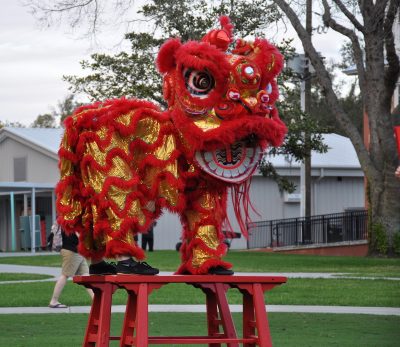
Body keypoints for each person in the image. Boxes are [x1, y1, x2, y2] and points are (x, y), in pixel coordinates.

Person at [49, 222, 94, 308]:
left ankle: (95, 299)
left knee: (85, 276)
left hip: (76, 251)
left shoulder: (66, 218)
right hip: (72, 251)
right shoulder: (73, 219)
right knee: (65, 275)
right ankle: (53, 301)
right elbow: (80, 236)